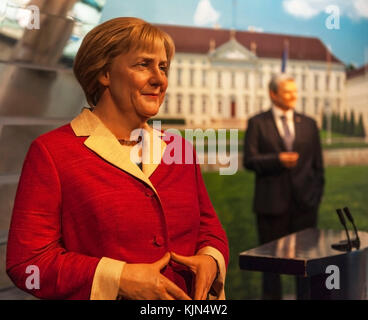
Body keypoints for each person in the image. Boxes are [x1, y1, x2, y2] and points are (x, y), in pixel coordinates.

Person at [6, 17, 229, 300]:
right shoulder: (52, 153)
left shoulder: (180, 149)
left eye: (163, 67)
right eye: (143, 64)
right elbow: (26, 265)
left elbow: (209, 230)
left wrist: (211, 260)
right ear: (104, 73)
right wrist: (117, 279)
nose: (160, 79)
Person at [243, 73, 324, 300]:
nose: (294, 96)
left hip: (305, 207)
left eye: (295, 91)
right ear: (273, 94)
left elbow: (318, 167)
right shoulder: (257, 123)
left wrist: (315, 198)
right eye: (288, 92)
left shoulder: (309, 124)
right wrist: (277, 159)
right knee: (271, 268)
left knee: (306, 267)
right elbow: (249, 160)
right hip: (270, 206)